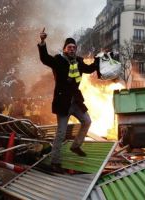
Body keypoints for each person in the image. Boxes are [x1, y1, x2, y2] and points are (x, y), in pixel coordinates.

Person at [37, 28, 99, 172]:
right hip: (63, 103)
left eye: (74, 47)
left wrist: (99, 60)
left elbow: (89, 69)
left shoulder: (78, 61)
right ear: (65, 49)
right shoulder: (58, 61)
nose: (72, 49)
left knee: (87, 121)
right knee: (61, 133)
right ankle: (55, 162)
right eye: (69, 47)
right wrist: (42, 42)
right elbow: (45, 58)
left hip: (76, 102)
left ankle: (76, 146)